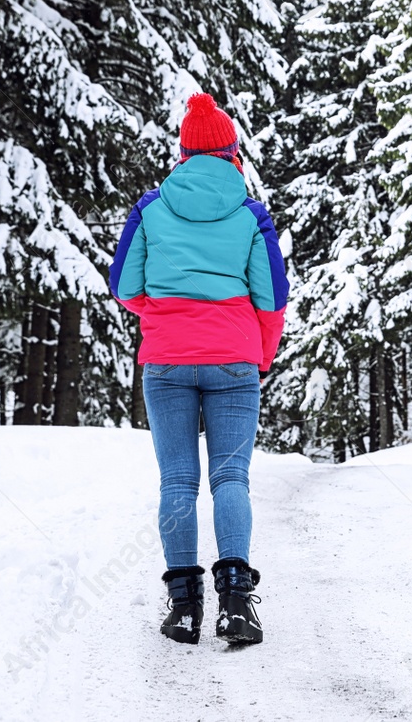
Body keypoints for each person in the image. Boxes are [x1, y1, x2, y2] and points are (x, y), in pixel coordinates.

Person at [109, 92, 287, 647]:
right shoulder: (251, 214)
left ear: (183, 153)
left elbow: (125, 287)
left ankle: (183, 608)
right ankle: (236, 604)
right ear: (233, 154)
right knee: (230, 478)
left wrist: (168, 315)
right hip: (234, 361)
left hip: (165, 362)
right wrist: (260, 352)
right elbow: (272, 297)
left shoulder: (149, 209)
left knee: (178, 481)